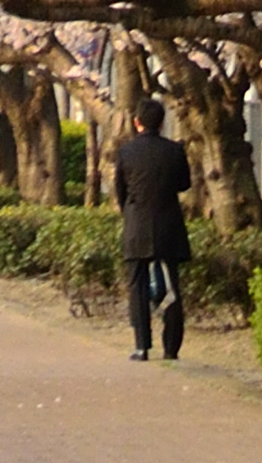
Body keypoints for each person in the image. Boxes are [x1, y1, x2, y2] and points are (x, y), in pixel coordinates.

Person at [112, 95, 192, 361]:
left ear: (137, 123)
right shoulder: (175, 150)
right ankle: (171, 348)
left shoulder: (125, 152)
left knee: (137, 286)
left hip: (137, 225)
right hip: (168, 224)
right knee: (171, 286)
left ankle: (141, 346)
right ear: (162, 123)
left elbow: (120, 191)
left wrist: (131, 212)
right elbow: (184, 184)